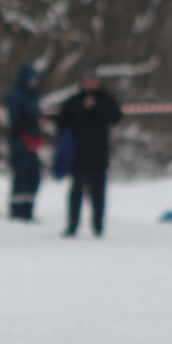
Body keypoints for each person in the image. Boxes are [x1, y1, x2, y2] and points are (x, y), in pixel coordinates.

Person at [56, 72, 122, 237]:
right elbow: (62, 121)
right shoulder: (74, 101)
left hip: (99, 155)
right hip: (78, 155)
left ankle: (98, 227)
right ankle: (72, 226)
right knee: (76, 192)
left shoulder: (107, 100)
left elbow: (116, 117)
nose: (90, 85)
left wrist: (96, 108)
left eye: (93, 82)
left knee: (98, 194)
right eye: (87, 81)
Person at [5, 63, 46, 221]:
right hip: (19, 142)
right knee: (21, 176)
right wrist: (35, 123)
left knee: (33, 177)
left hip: (32, 142)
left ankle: (28, 210)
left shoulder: (33, 96)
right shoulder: (16, 95)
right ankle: (17, 212)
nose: (33, 83)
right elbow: (16, 120)